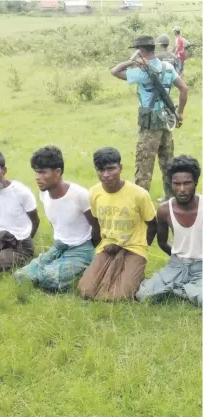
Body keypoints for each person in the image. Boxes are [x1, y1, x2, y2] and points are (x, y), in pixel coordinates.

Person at [110, 35, 188, 201]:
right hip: (167, 119)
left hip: (150, 123)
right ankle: (171, 198)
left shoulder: (141, 72)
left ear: (142, 50)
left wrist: (132, 61)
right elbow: (184, 88)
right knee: (167, 161)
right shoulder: (167, 67)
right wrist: (180, 113)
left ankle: (140, 202)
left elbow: (115, 71)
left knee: (144, 163)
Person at [78, 147, 157, 301]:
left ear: (120, 168)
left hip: (134, 248)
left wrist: (142, 246)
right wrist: (99, 248)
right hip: (108, 246)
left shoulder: (139, 194)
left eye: (111, 169)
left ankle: (137, 274)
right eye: (101, 170)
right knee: (86, 290)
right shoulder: (94, 193)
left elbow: (152, 224)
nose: (106, 175)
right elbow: (96, 224)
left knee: (117, 296)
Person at [14, 146, 94, 294]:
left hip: (81, 249)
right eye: (36, 172)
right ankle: (56, 266)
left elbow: (97, 227)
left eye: (42, 172)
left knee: (48, 279)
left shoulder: (80, 195)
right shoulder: (44, 194)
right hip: (59, 246)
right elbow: (56, 223)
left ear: (57, 172)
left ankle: (82, 268)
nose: (37, 177)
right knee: (21, 275)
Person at [137, 155, 202, 307]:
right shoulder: (165, 210)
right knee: (143, 294)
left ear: (196, 183)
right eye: (176, 184)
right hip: (177, 264)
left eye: (187, 183)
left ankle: (179, 289)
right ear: (170, 184)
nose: (182, 189)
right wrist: (178, 258)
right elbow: (161, 242)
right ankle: (184, 288)